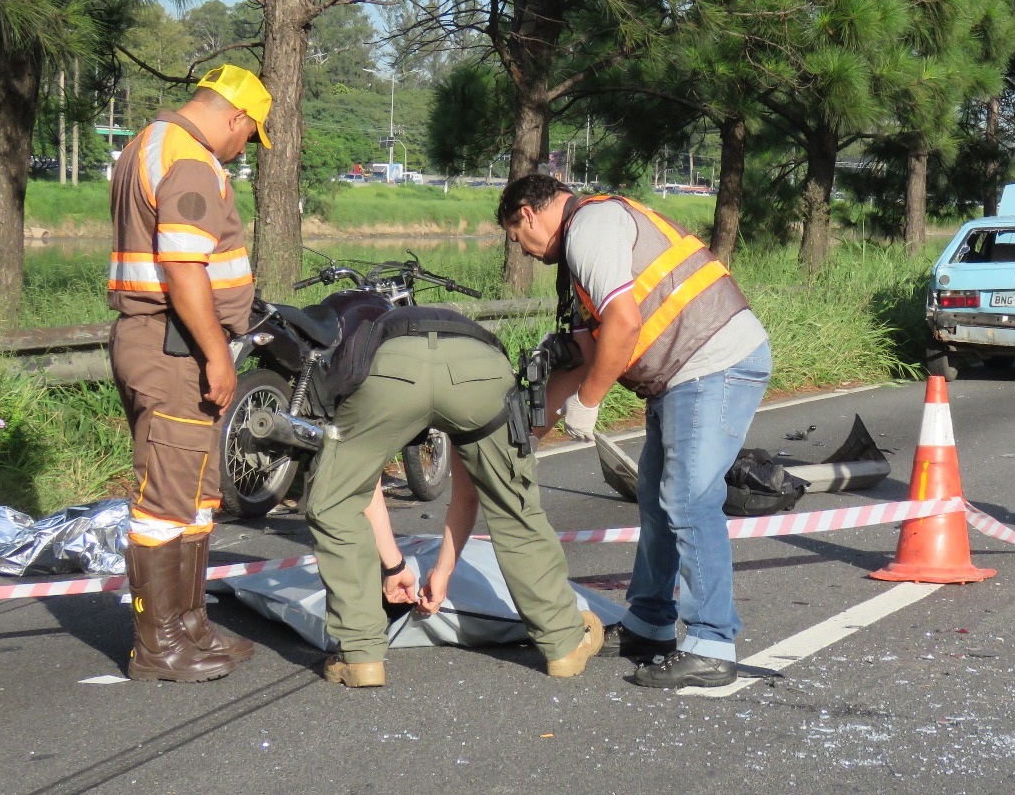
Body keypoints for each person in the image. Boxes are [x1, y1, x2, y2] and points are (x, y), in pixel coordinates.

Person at [498, 175, 772, 688]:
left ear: (528, 214)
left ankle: (712, 643)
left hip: (713, 362)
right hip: (680, 374)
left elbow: (622, 325)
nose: (524, 252)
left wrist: (589, 404)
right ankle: (650, 624)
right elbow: (583, 353)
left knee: (688, 499)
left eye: (517, 237)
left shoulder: (591, 228)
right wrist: (530, 439)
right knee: (656, 497)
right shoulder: (577, 259)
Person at [306, 304, 603, 687]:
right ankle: (564, 642)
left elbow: (364, 494)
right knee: (514, 506)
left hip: (391, 372)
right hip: (478, 369)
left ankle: (360, 654)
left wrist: (396, 568)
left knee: (335, 501)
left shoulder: (364, 338)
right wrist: (441, 572)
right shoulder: (456, 332)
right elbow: (468, 495)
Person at [107, 65, 269, 682]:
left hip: (162, 343)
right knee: (165, 503)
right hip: (173, 349)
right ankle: (158, 645)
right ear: (235, 116)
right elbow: (182, 266)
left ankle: (191, 624)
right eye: (250, 136)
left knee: (196, 496)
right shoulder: (192, 159)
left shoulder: (146, 143)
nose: (245, 149)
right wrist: (217, 353)